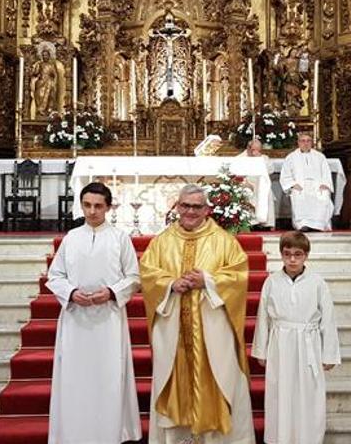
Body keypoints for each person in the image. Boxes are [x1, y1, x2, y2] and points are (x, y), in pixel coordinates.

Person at [139, 184, 254, 444]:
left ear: (207, 209)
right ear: (177, 207)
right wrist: (169, 284)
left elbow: (238, 275)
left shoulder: (224, 241)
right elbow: (147, 273)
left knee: (218, 377)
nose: (190, 211)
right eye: (186, 206)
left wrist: (209, 281)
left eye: (197, 206)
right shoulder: (162, 241)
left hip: (213, 331)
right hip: (174, 332)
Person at [45, 182, 142, 444]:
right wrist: (71, 292)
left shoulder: (120, 238)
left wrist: (111, 292)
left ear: (109, 207)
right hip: (76, 318)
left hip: (107, 319)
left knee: (108, 375)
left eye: (98, 206)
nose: (92, 211)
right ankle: (73, 434)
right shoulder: (72, 237)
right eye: (87, 205)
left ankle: (109, 434)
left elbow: (134, 277)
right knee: (75, 378)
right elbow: (55, 275)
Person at [252, 231, 340, 444]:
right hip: (280, 346)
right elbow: (263, 317)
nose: (292, 259)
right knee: (280, 395)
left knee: (309, 396)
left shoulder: (317, 282)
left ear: (306, 255)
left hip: (308, 344)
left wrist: (329, 354)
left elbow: (328, 319)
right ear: (281, 254)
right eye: (287, 254)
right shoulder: (272, 282)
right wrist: (261, 350)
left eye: (298, 254)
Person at [279, 133, 334, 231]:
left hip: (317, 185)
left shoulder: (320, 157)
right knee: (298, 194)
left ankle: (319, 225)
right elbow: (285, 175)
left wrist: (325, 184)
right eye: (303, 141)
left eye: (308, 141)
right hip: (300, 185)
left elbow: (326, 173)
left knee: (324, 194)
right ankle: (302, 224)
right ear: (298, 143)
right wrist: (292, 184)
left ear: (312, 143)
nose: (306, 143)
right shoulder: (291, 157)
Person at [236, 139, 276, 228]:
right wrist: (245, 183)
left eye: (258, 150)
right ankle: (251, 222)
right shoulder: (240, 158)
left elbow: (270, 170)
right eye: (254, 150)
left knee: (267, 192)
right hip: (246, 183)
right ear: (248, 148)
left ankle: (266, 223)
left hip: (261, 183)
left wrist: (259, 159)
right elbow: (237, 174)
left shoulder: (264, 158)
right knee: (247, 192)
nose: (256, 152)